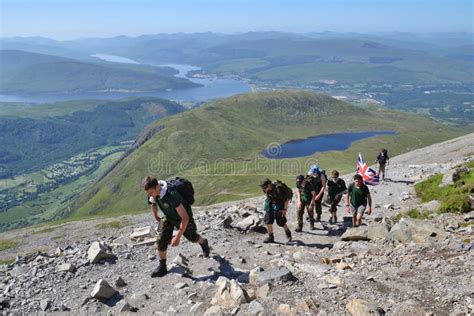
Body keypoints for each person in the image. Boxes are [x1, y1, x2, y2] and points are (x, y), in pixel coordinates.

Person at [143, 176, 210, 278]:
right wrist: (156, 215)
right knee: (161, 240)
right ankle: (162, 267)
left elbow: (185, 218)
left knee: (192, 236)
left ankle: (203, 242)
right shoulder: (154, 192)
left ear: (157, 187)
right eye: (148, 193)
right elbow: (153, 202)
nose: (150, 195)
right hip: (169, 217)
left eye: (151, 192)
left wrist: (177, 237)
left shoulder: (172, 195)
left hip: (183, 218)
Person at [260, 178, 292, 243]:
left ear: (269, 185)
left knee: (281, 222)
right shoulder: (266, 190)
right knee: (268, 221)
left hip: (280, 204)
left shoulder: (278, 190)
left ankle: (288, 234)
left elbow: (286, 200)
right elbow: (268, 196)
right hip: (271, 203)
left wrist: (284, 210)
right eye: (263, 187)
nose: (263, 189)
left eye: (264, 187)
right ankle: (270, 237)